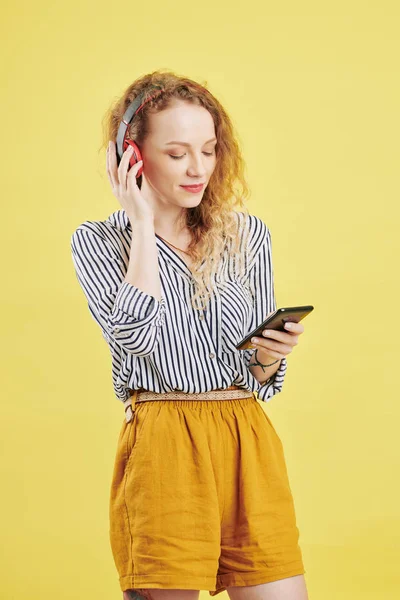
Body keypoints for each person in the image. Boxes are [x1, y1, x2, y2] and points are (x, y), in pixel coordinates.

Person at [70, 70, 309, 600]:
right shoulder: (97, 242)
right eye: (177, 153)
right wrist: (142, 224)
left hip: (247, 433)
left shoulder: (248, 235)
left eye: (208, 149)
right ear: (132, 156)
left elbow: (262, 377)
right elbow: (134, 339)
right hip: (164, 441)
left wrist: (271, 357)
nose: (198, 167)